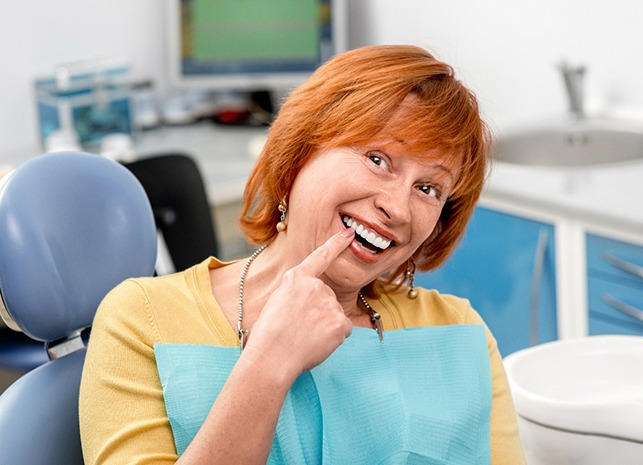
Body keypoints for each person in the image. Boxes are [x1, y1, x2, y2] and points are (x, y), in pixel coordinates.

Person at [79, 44, 526, 464]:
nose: (398, 208)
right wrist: (268, 364)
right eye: (377, 159)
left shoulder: (460, 333)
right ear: (298, 157)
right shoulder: (139, 319)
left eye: (428, 189)